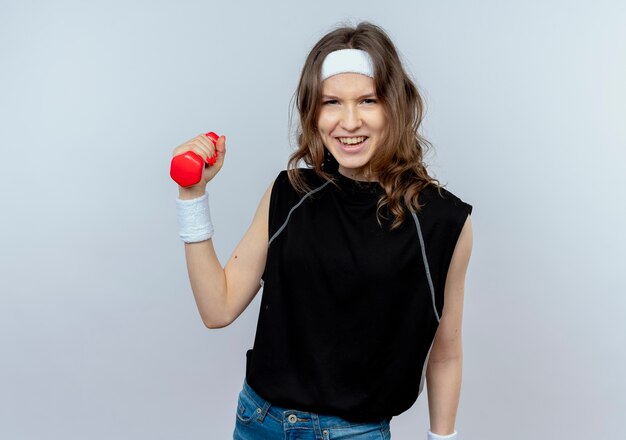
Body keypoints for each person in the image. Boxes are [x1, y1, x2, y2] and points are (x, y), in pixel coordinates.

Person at [172, 21, 473, 440]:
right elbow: (217, 308)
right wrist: (193, 195)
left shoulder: (441, 221)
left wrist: (442, 439)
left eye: (368, 100)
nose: (348, 121)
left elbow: (445, 355)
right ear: (314, 112)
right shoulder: (289, 192)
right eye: (332, 102)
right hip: (259, 422)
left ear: (396, 106)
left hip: (356, 433)